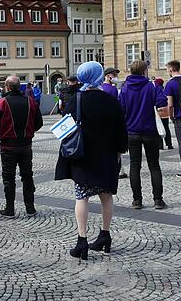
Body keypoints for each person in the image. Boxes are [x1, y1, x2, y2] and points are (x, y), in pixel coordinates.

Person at [55, 62, 128, 261]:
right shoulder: (110, 100)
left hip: (83, 156)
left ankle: (82, 241)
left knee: (82, 197)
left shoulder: (75, 100)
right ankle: (105, 235)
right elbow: (121, 130)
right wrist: (120, 151)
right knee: (106, 195)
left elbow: (65, 131)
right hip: (106, 155)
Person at [0, 75, 42, 217]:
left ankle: (10, 208)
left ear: (7, 87)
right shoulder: (31, 102)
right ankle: (30, 208)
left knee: (8, 178)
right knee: (27, 176)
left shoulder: (1, 103)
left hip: (8, 146)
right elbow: (39, 123)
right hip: (25, 145)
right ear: (20, 87)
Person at [121, 62, 167, 210]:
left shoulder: (125, 88)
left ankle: (137, 200)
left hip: (132, 132)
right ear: (144, 71)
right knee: (154, 165)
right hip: (150, 131)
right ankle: (158, 200)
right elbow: (162, 102)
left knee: (135, 166)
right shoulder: (151, 86)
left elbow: (121, 108)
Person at [154, 78, 174, 150]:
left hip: (159, 111)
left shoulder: (157, 89)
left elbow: (156, 99)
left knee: (159, 127)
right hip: (166, 111)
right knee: (166, 127)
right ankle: (169, 144)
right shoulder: (164, 89)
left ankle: (160, 145)